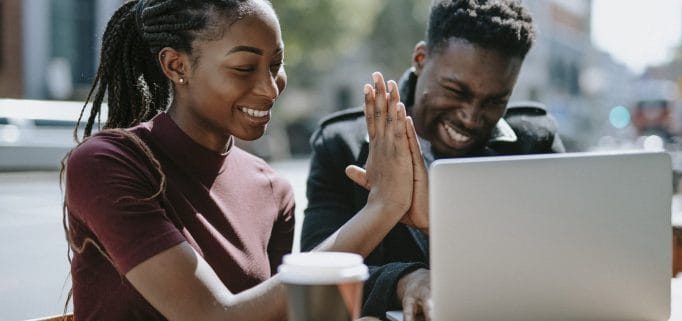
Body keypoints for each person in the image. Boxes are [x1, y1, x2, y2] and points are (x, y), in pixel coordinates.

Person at [62, 0, 417, 320]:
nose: (270, 88)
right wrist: (383, 206)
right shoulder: (107, 163)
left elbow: (276, 311)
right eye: (245, 67)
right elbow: (210, 316)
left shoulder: (273, 189)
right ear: (176, 65)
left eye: (276, 64)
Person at [301, 0, 565, 320]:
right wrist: (402, 281)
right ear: (421, 59)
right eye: (456, 91)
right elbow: (315, 273)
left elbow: (554, 267)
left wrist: (438, 223)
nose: (470, 117)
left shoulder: (534, 144)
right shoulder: (341, 145)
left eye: (495, 101)